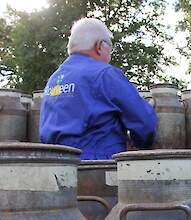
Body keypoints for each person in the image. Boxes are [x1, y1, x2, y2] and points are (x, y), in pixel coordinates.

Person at [40, 17, 157, 159]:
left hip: (54, 165)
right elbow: (144, 122)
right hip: (96, 166)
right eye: (110, 50)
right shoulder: (104, 74)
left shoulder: (54, 79)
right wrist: (142, 144)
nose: (110, 57)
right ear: (99, 45)